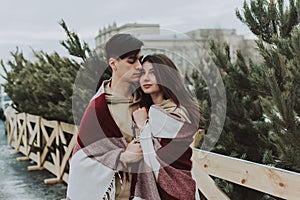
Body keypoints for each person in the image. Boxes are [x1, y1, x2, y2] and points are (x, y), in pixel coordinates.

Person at [67, 33, 145, 200]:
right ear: (113, 64)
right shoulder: (99, 108)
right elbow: (81, 160)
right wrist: (122, 157)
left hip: (144, 191)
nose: (139, 66)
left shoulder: (147, 98)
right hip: (114, 194)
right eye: (132, 61)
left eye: (140, 59)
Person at [132, 54, 201, 199]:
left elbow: (154, 159)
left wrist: (142, 126)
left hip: (178, 188)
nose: (145, 78)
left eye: (153, 73)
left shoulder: (176, 113)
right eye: (142, 73)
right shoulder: (149, 112)